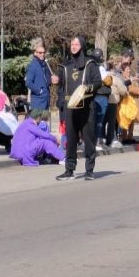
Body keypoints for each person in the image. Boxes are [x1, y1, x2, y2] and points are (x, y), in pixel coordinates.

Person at [55, 35, 102, 180]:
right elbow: (61, 87)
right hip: (70, 108)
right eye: (72, 44)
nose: (73, 46)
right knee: (71, 139)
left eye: (76, 44)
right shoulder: (65, 65)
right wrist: (57, 81)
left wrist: (88, 88)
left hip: (86, 106)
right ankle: (69, 169)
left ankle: (89, 170)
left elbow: (98, 82)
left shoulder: (90, 63)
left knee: (88, 139)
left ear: (81, 46)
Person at [26, 39, 52, 111]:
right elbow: (28, 82)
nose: (42, 54)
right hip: (37, 102)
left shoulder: (44, 64)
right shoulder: (33, 66)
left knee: (44, 122)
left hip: (46, 100)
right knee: (36, 122)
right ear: (35, 53)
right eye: (40, 53)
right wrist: (39, 91)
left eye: (44, 52)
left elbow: (47, 80)